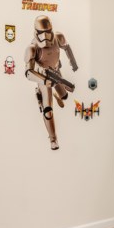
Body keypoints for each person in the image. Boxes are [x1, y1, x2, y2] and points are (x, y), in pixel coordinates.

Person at [24, 15, 78, 150]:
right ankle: (53, 139)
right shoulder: (32, 48)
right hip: (42, 76)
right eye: (42, 32)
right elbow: (28, 72)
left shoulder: (58, 37)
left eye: (48, 32)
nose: (45, 36)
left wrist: (73, 63)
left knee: (65, 96)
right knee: (48, 111)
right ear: (36, 32)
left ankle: (55, 95)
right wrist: (43, 80)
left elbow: (67, 47)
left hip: (56, 71)